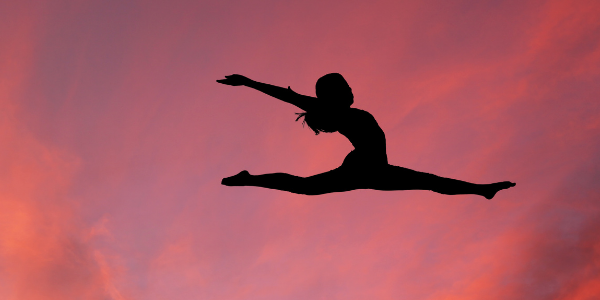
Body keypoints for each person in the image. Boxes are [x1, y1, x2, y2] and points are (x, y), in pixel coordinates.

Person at [217, 73, 515, 199]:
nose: (350, 90)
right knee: (305, 188)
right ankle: (250, 178)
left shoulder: (347, 113)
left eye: (348, 86)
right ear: (333, 95)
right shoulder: (335, 110)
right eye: (343, 87)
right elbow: (285, 95)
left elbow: (289, 97)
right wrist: (248, 82)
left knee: (431, 183)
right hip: (365, 167)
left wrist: (247, 83)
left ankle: (481, 190)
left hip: (375, 170)